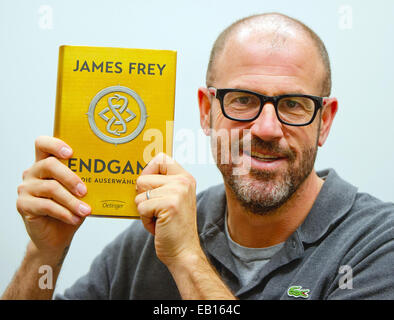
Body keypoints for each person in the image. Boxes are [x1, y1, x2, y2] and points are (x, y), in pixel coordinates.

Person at [3, 12, 394, 300]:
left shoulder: (377, 244)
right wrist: (46, 250)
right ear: (206, 111)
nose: (267, 129)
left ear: (324, 121)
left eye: (293, 104)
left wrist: (187, 258)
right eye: (243, 100)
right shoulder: (146, 242)